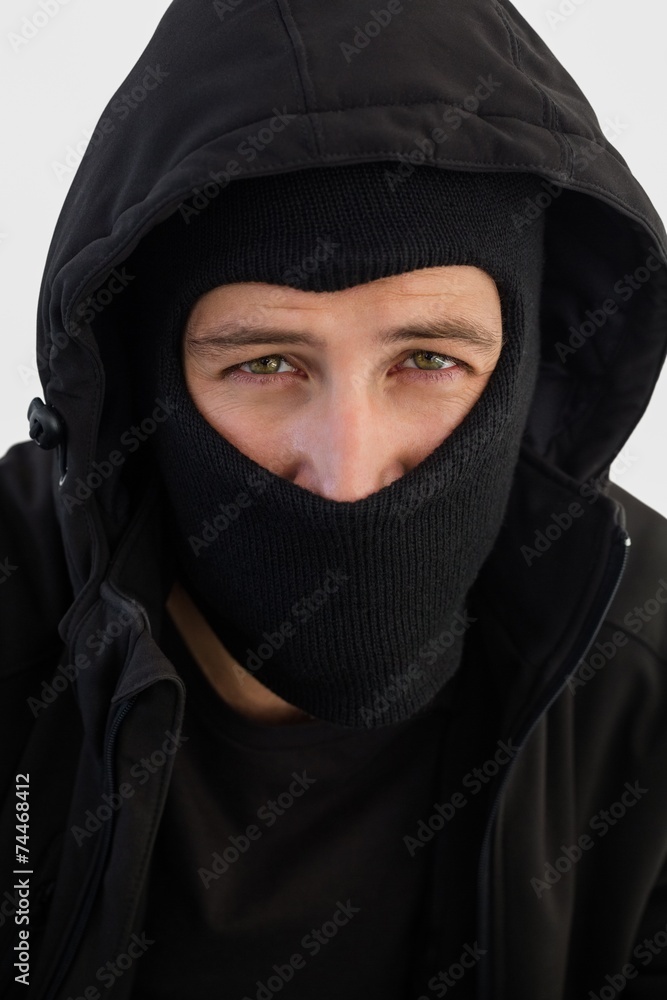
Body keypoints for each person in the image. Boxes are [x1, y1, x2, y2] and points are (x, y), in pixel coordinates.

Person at [1, 1, 666, 998]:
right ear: (143, 383)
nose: (347, 474)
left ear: (530, 367)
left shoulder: (649, 670)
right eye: (266, 362)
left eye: (429, 360)